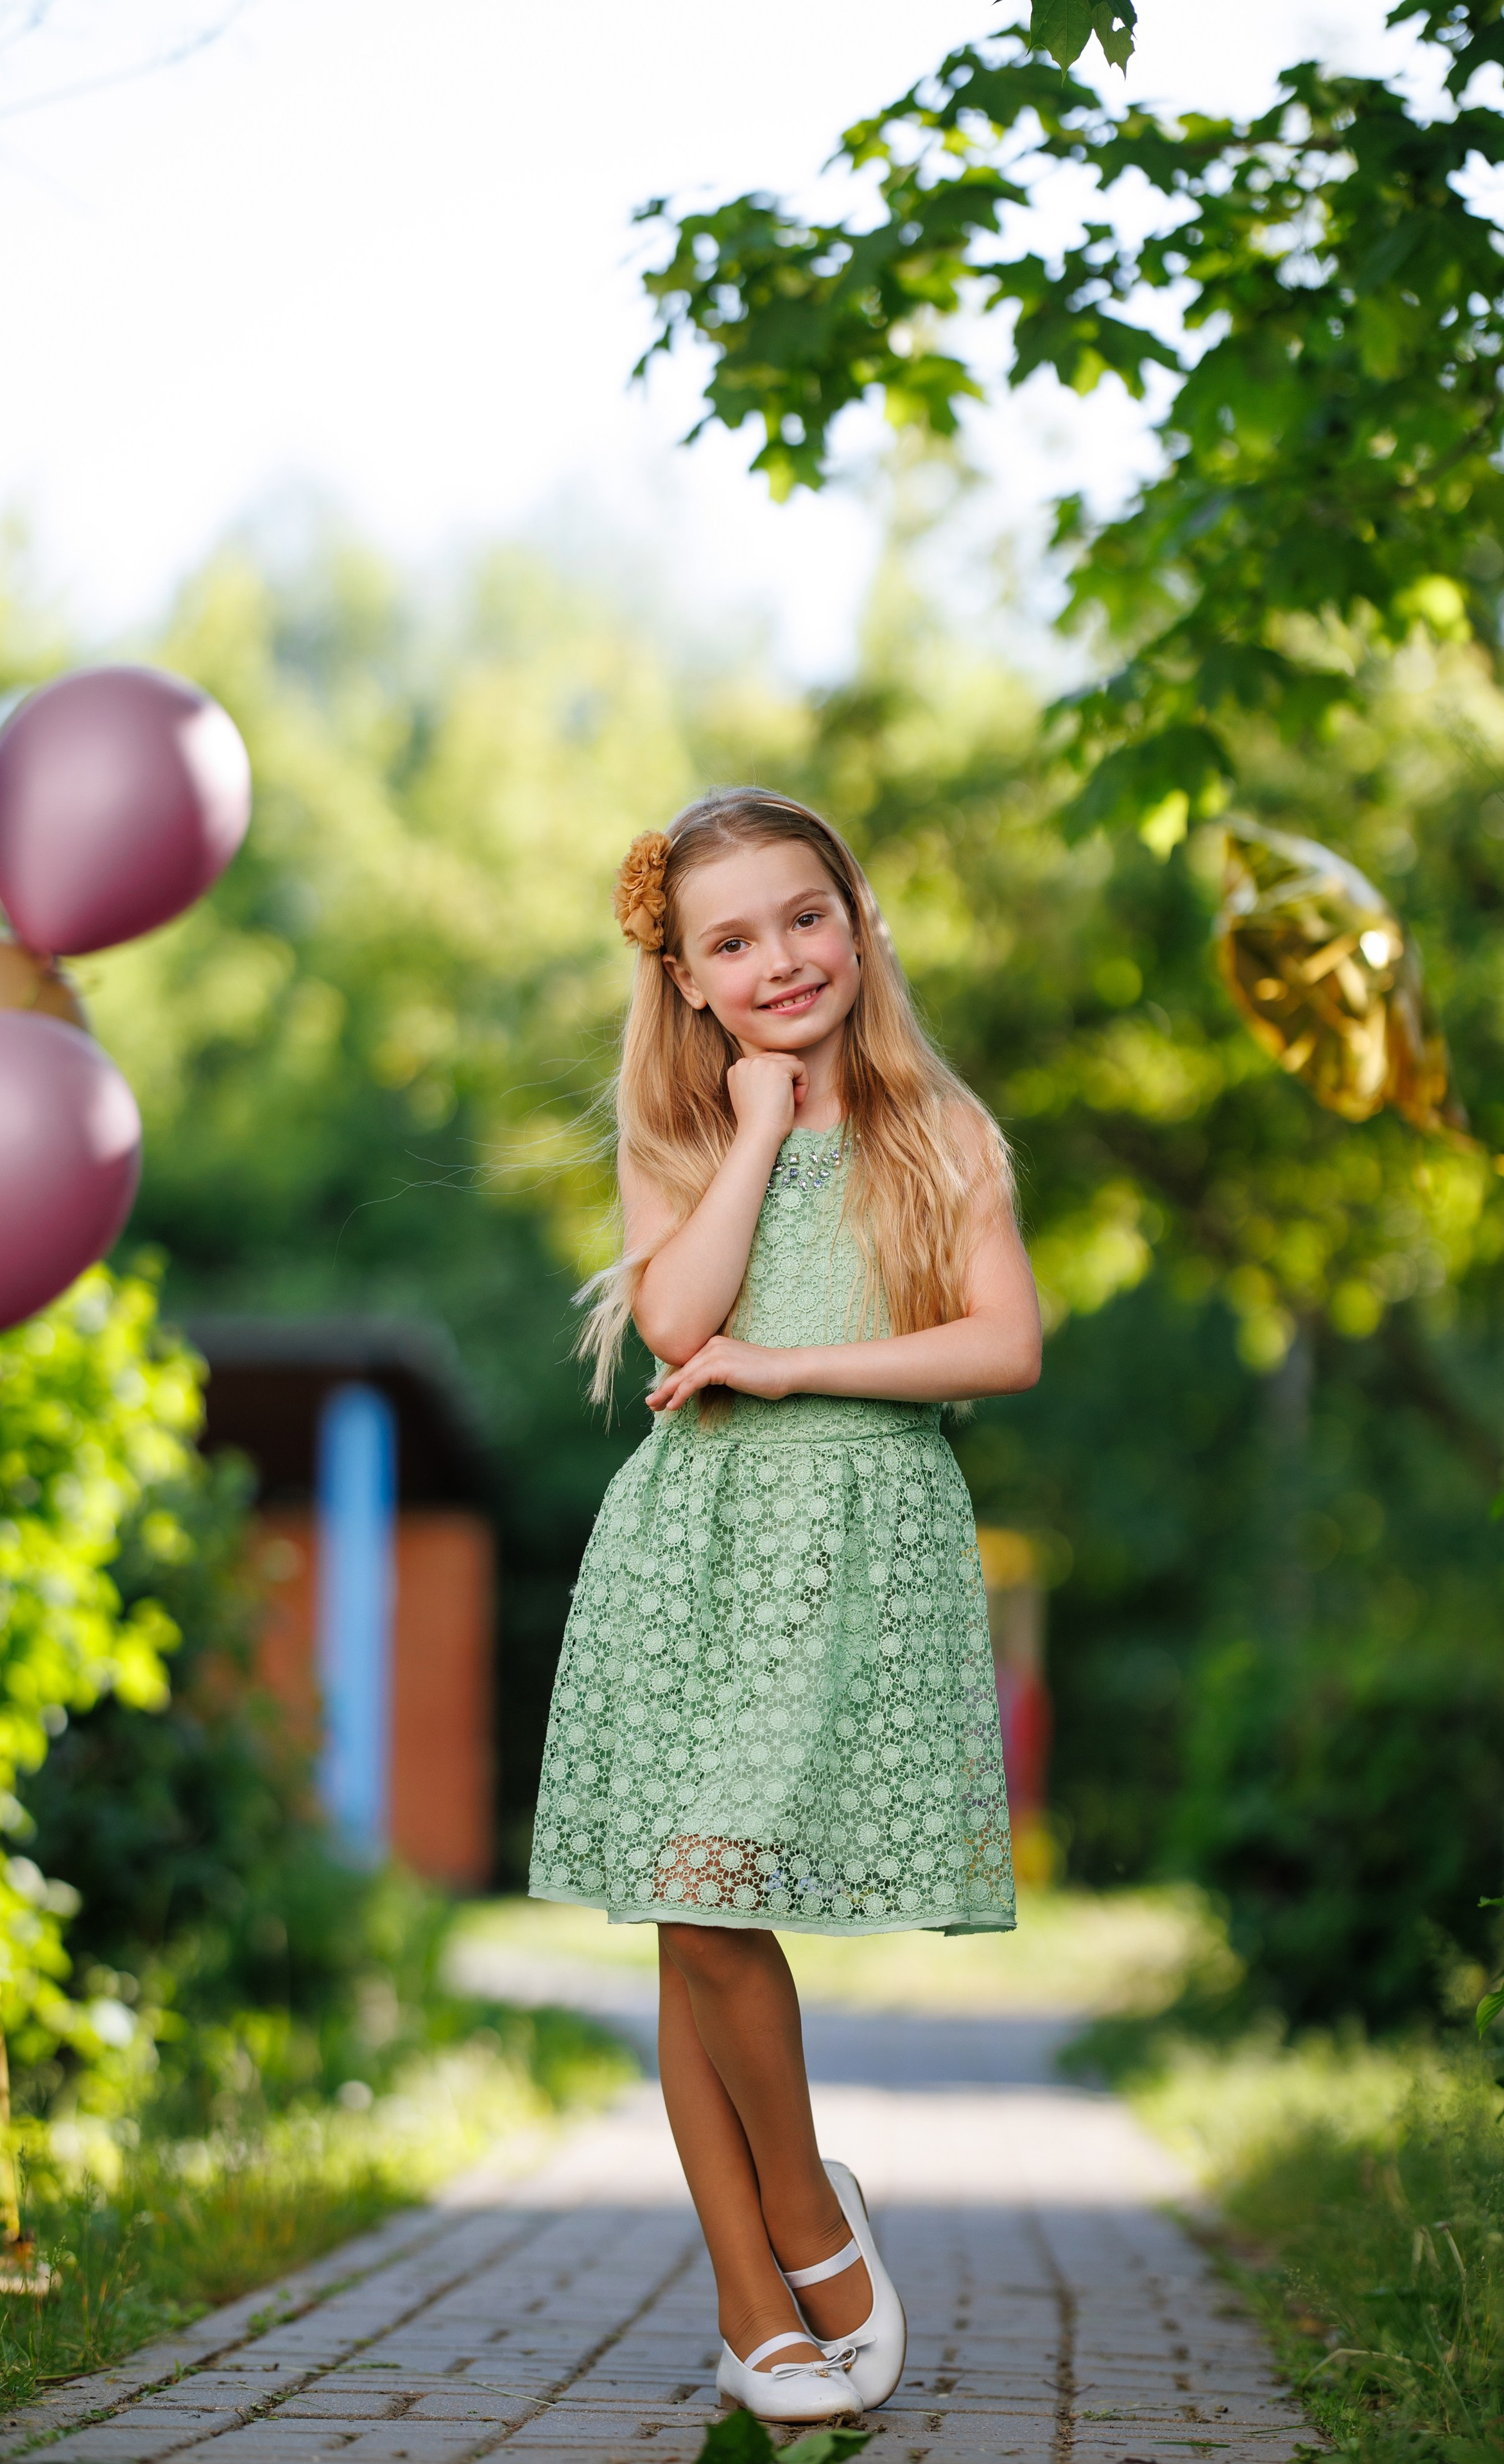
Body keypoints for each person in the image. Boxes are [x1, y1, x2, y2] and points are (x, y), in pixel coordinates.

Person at [528, 789, 1042, 2423]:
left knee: (711, 1888)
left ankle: (806, 2210)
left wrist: (792, 1362)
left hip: (851, 1548)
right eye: (731, 941)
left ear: (857, 917)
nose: (779, 959)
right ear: (683, 977)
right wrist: (753, 1129)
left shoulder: (936, 1130)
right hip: (695, 1552)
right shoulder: (679, 1130)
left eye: (803, 916)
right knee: (690, 1899)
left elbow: (1001, 1343)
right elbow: (679, 1323)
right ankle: (759, 2290)